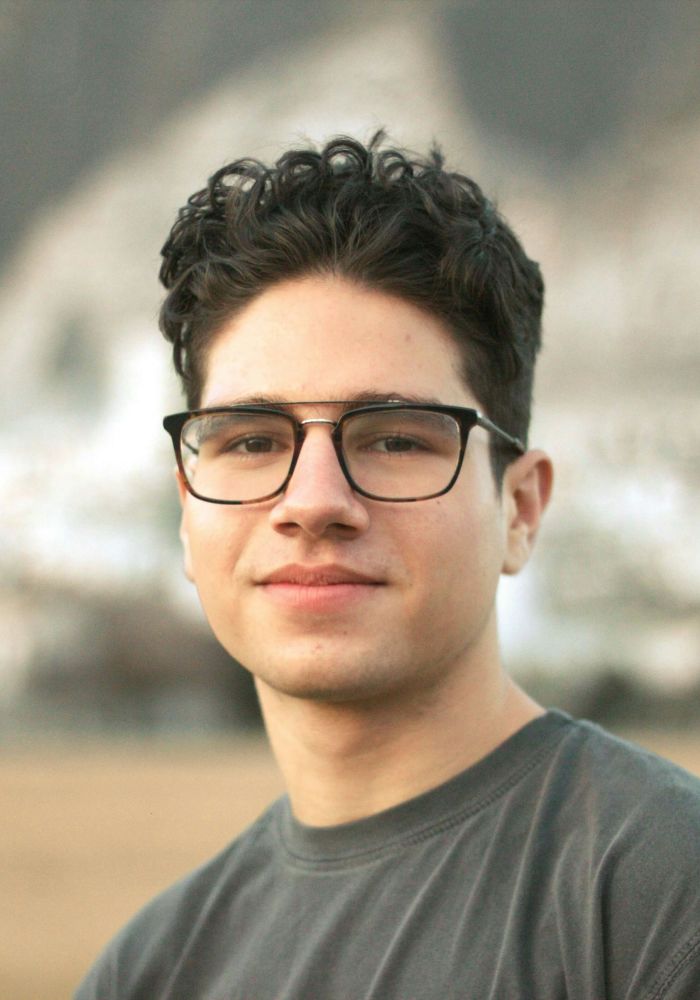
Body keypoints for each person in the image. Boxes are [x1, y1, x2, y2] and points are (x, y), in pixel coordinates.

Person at [76, 133, 700, 999]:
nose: (312, 501)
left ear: (520, 509)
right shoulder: (149, 972)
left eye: (397, 439)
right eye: (252, 441)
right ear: (187, 514)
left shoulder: (657, 898)